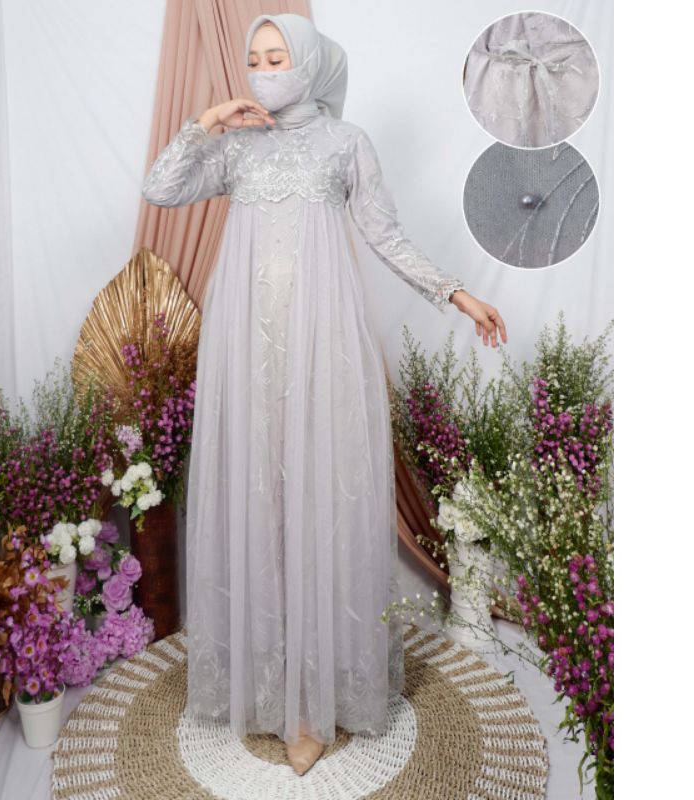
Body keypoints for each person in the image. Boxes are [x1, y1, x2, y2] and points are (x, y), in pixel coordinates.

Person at [141, 12, 507, 777]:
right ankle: (265, 684)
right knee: (259, 499)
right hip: (245, 350)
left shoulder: (346, 143)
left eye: (278, 57)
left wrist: (459, 294)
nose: (264, 69)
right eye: (256, 58)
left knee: (316, 497)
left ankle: (310, 703)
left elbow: (385, 234)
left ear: (308, 64)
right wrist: (207, 121)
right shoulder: (234, 145)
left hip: (323, 350)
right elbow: (161, 187)